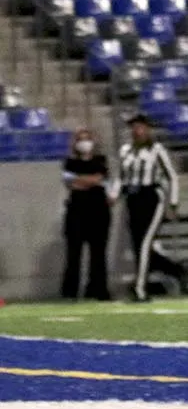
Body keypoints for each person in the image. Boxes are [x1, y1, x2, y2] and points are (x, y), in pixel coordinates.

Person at [117, 113, 188, 301]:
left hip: (151, 198)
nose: (137, 131)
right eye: (134, 127)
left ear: (148, 129)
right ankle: (176, 269)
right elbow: (121, 176)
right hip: (132, 199)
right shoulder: (125, 151)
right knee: (138, 246)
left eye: (140, 127)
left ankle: (140, 289)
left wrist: (173, 203)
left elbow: (172, 176)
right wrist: (115, 194)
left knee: (145, 243)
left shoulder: (157, 150)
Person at [60, 128, 113, 301]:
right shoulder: (69, 162)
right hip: (76, 211)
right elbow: (70, 183)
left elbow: (101, 179)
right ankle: (70, 291)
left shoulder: (101, 161)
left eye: (87, 139)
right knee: (73, 253)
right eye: (80, 139)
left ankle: (98, 289)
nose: (84, 143)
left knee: (98, 253)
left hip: (98, 212)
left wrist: (82, 180)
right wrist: (90, 180)